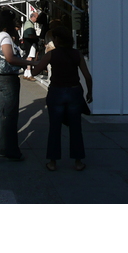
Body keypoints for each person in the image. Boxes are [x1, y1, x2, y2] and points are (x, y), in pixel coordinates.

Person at [29, 24, 93, 172]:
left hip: (56, 92)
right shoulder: (76, 54)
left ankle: (52, 162)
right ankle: (78, 162)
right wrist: (90, 93)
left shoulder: (51, 54)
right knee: (76, 127)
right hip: (74, 92)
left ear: (57, 39)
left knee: (54, 127)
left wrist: (31, 64)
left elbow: (35, 72)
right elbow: (87, 76)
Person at [0, 11, 31, 161]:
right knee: (10, 115)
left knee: (0, 113)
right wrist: (30, 63)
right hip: (7, 79)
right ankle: (11, 149)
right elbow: (10, 58)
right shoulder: (5, 37)